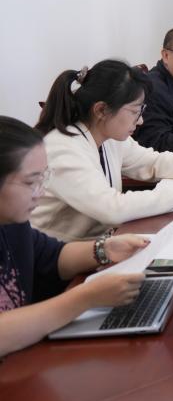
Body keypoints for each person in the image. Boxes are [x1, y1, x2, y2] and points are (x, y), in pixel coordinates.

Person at [30, 60, 173, 241]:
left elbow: (151, 162)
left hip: (101, 243)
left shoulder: (107, 135)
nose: (140, 121)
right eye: (135, 111)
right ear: (101, 110)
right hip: (61, 257)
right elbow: (112, 208)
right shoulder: (63, 149)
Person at [0, 116, 148, 357]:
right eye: (30, 182)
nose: (40, 192)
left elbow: (52, 257)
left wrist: (105, 249)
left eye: (43, 178)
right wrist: (86, 297)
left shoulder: (12, 223)